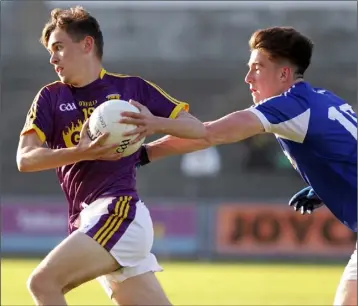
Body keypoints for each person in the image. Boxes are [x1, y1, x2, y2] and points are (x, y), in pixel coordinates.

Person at [123, 27, 357, 306]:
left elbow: (209, 133)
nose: (248, 78)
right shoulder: (322, 98)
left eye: (258, 67)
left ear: (283, 74)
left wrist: (145, 150)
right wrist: (323, 183)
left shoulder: (290, 107)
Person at [16, 6, 206, 306]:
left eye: (59, 48)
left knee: (43, 283)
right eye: (50, 51)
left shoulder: (131, 89)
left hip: (118, 213)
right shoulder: (51, 97)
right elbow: (25, 159)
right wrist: (83, 151)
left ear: (87, 44)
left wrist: (154, 123)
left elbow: (196, 130)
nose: (52, 59)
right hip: (89, 219)